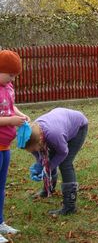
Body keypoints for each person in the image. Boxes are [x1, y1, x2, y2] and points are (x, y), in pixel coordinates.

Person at [18, 108, 88, 216]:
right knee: (49, 158)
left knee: (65, 163)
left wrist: (48, 167)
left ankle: (70, 206)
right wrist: (40, 164)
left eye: (33, 149)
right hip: (61, 124)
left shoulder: (53, 135)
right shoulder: (33, 133)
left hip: (78, 126)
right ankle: (48, 190)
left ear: (40, 141)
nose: (33, 152)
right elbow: (38, 153)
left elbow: (63, 152)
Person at [0, 50, 30, 242]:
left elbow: (11, 108)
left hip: (5, 146)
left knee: (1, 186)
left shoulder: (8, 86)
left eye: (15, 76)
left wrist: (20, 115)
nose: (13, 79)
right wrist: (11, 120)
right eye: (10, 74)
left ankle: (0, 221)